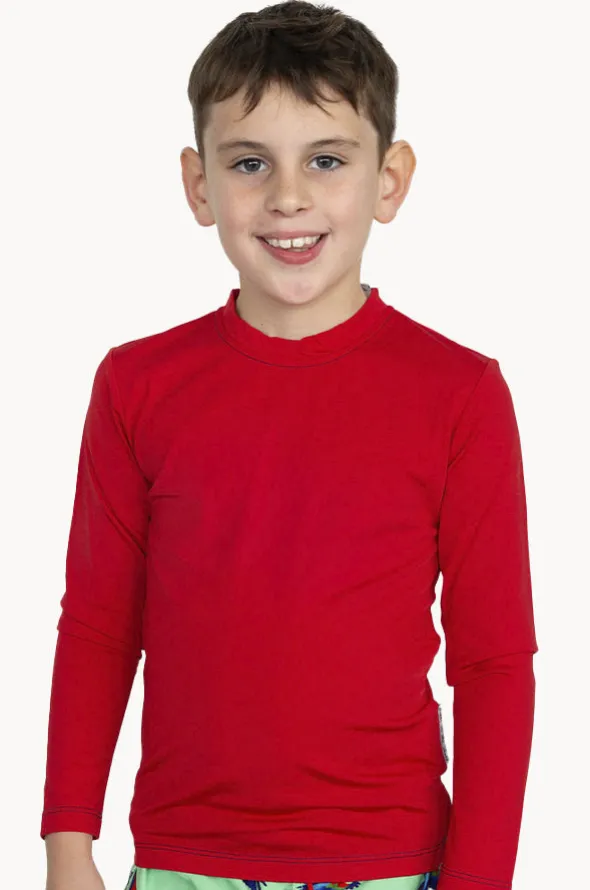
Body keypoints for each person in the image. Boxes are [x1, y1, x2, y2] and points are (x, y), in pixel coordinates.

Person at [41, 2, 539, 890]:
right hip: (183, 862)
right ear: (199, 185)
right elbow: (99, 626)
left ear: (390, 180)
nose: (287, 197)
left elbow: (494, 661)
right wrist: (68, 841)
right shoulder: (136, 385)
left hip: (390, 862)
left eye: (326, 160)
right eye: (249, 163)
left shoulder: (460, 394)